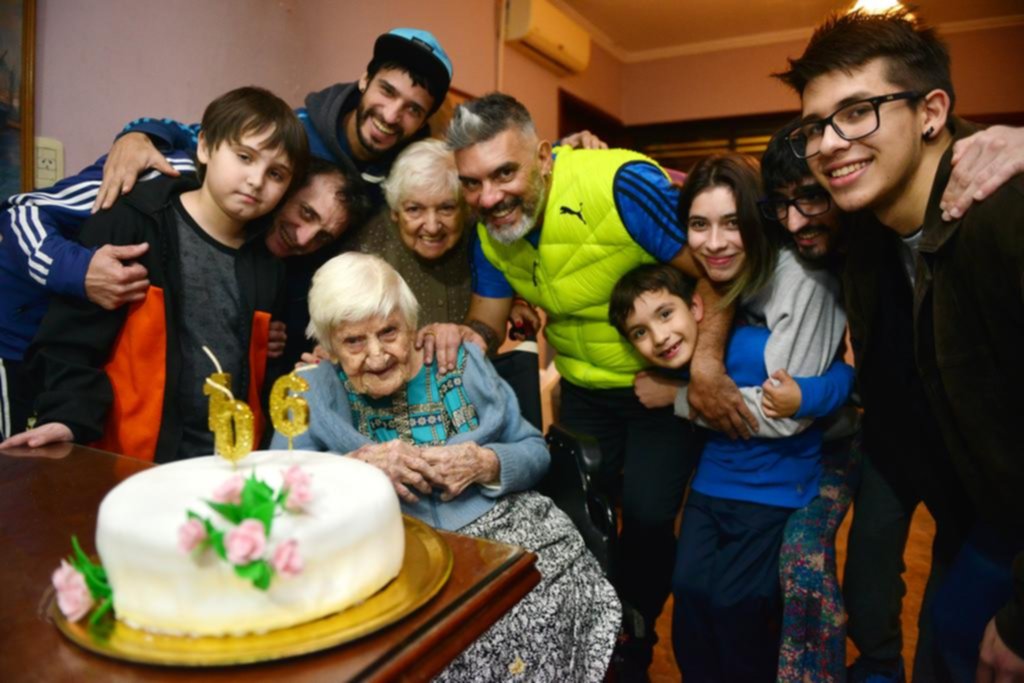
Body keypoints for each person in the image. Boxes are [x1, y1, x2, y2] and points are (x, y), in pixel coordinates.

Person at [778, 8, 1024, 680]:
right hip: (968, 506)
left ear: (931, 111)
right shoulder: (867, 224)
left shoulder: (1003, 209)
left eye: (858, 111)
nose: (829, 143)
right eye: (815, 126)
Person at [434, 91, 708, 675]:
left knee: (650, 516)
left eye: (505, 173)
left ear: (543, 156)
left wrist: (700, 374)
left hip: (657, 385)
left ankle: (637, 633)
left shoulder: (620, 185)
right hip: (584, 387)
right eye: (473, 183)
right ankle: (595, 628)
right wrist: (455, 342)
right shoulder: (488, 227)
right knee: (579, 513)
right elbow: (487, 315)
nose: (490, 196)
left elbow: (713, 275)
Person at [272, 252, 620, 681]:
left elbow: (533, 449)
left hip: (513, 531)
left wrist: (486, 462)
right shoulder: (308, 391)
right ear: (327, 344)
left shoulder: (459, 361)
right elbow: (281, 487)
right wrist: (355, 469)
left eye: (389, 332)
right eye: (354, 342)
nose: (378, 355)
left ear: (411, 324)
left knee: (549, 602)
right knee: (440, 644)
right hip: (399, 552)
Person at [614, 154, 852, 681]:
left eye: (731, 223)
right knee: (693, 601)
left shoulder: (803, 282)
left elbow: (787, 412)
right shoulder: (714, 284)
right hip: (715, 482)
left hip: (773, 487)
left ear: (758, 220)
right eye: (699, 224)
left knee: (738, 611)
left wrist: (675, 399)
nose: (714, 242)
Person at [0, 86, 308, 461]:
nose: (256, 180)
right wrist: (66, 418)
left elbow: (260, 373)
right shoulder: (130, 223)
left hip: (224, 467)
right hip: (126, 460)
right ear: (206, 147)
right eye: (244, 156)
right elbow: (71, 342)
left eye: (276, 174)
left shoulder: (268, 267)